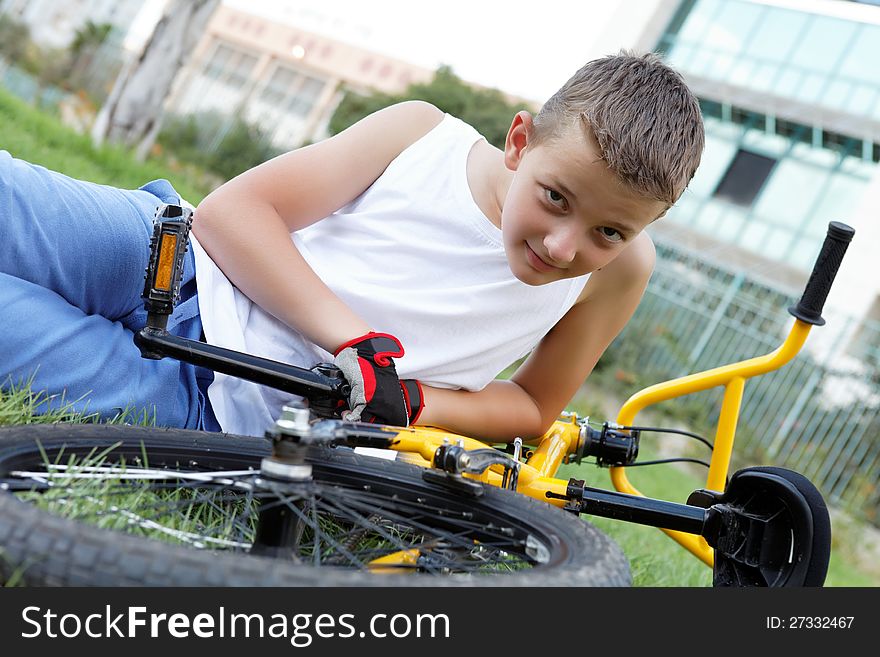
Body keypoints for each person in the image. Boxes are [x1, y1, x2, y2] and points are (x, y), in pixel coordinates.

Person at [1, 51, 704, 441]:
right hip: (168, 260)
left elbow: (530, 407)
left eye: (610, 232)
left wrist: (418, 401)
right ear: (521, 141)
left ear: (645, 227)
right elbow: (232, 213)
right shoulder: (422, 133)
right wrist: (355, 342)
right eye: (557, 197)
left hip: (212, 408)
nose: (563, 245)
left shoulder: (618, 276)